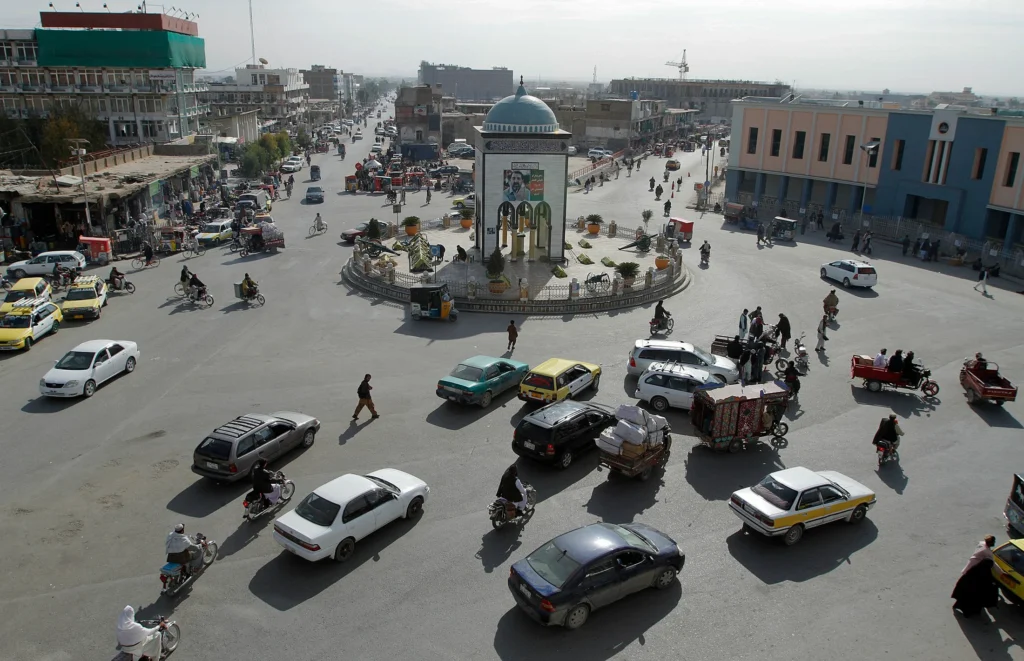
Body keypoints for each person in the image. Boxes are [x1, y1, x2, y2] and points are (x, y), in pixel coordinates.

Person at [952, 544, 1000, 618]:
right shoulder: (987, 573)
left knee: (963, 601)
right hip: (976, 594)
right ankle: (969, 613)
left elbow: (963, 579)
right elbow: (989, 584)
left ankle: (962, 609)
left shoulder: (974, 569)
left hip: (967, 591)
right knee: (973, 604)